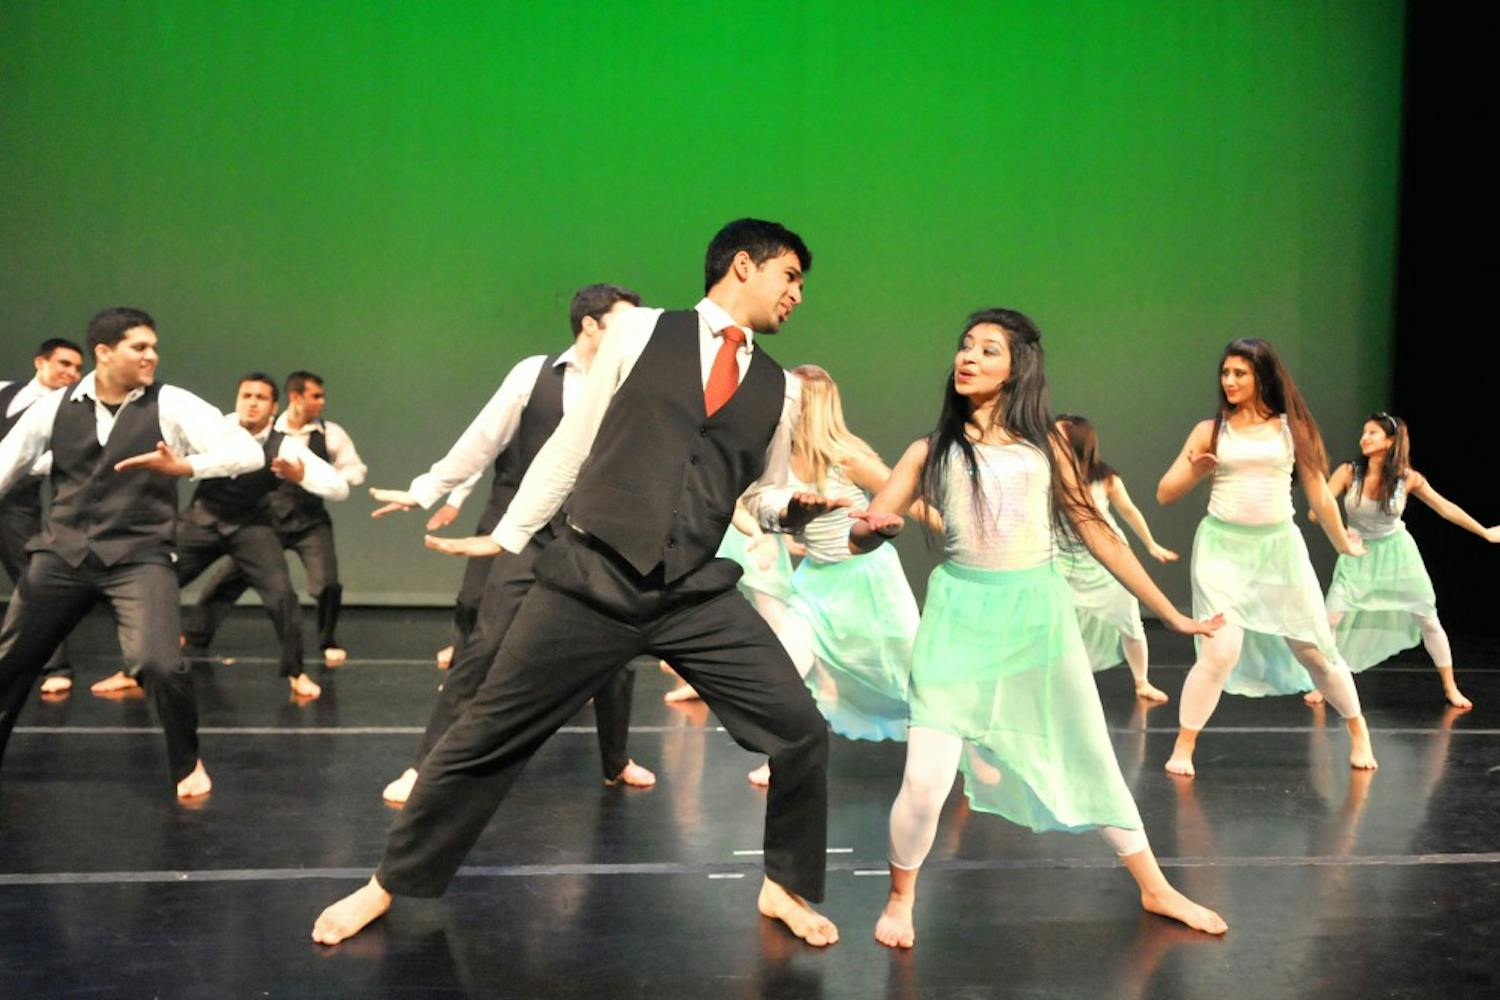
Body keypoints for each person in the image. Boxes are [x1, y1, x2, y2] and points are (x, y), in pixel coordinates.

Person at [312, 218, 844, 948]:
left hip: (693, 592)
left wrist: (795, 510)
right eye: (791, 277)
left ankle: (784, 885)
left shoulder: (779, 388)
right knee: (486, 734)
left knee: (802, 730)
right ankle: (388, 883)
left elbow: (761, 493)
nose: (797, 296)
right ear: (744, 265)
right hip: (592, 578)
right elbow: (574, 441)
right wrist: (509, 535)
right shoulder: (638, 331)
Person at [847, 308, 1227, 949]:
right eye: (965, 346)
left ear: (1015, 369)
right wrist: (871, 531)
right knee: (926, 780)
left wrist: (1170, 613)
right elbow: (862, 534)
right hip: (957, 622)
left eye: (987, 350)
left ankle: (1155, 887)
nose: (968, 357)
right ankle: (900, 897)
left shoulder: (1044, 448)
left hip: (1036, 619)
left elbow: (1098, 533)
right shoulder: (929, 451)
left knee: (1088, 754)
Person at [366, 284, 656, 804]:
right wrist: (426, 489)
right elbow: (481, 440)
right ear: (591, 325)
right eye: (625, 322)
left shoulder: (635, 383)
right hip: (529, 534)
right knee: (486, 646)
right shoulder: (534, 375)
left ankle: (616, 761)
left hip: (596, 537)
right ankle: (424, 766)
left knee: (616, 655)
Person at [0, 308, 263, 799]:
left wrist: (187, 467)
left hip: (139, 555)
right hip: (63, 554)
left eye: (154, 347)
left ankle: (186, 762)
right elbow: (5, 465)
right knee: (11, 659)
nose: (152, 356)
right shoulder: (53, 407)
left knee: (159, 663)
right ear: (104, 352)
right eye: (139, 347)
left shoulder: (172, 403)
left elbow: (250, 453)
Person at [1156, 338, 1376, 778]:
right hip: (1221, 551)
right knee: (1220, 651)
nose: (1230, 381)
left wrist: (1343, 544)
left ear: (1262, 376)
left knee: (1314, 651)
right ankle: (1184, 745)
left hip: (1278, 551)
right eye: (1225, 373)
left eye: (1240, 373)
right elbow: (1165, 492)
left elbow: (1320, 496)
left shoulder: (1293, 430)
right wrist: (1198, 470)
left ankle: (1358, 730)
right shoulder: (1210, 430)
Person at [745, 364, 925, 787]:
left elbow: (906, 496)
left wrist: (952, 530)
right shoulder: (776, 460)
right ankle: (779, 759)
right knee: (784, 670)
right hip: (817, 583)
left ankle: (966, 750)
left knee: (911, 675)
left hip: (870, 583)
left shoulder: (847, 458)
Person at [1316, 412, 1499, 710]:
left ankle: (1451, 687)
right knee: (1331, 618)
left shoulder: (1407, 478)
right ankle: (1324, 684)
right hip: (1357, 554)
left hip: (1398, 556)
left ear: (1390, 441)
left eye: (1372, 433)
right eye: (1364, 432)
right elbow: (1318, 511)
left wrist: (1485, 532)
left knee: (1427, 618)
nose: (1364, 438)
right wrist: (1341, 532)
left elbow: (1445, 508)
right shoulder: (1349, 472)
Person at [189, 371, 365, 667]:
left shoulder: (329, 433)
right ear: (295, 397)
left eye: (322, 396)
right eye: (316, 396)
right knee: (229, 578)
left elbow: (353, 470)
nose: (322, 401)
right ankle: (196, 635)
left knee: (327, 583)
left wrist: (321, 476)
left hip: (309, 521)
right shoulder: (262, 432)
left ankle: (327, 640)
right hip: (269, 518)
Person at [1055, 414, 1178, 703]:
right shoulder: (1046, 477)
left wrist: (1151, 544)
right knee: (1058, 624)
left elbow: (1129, 511)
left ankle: (1142, 682)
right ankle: (1060, 681)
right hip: (1064, 561)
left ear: (1076, 444)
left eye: (1058, 438)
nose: (1051, 442)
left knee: (1130, 622)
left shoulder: (1105, 477)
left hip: (1107, 563)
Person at [1, 338, 84, 695]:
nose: (71, 373)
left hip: (17, 505)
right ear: (40, 362)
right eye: (64, 364)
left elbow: (55, 459)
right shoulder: (6, 390)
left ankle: (56, 665)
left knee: (34, 582)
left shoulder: (69, 412)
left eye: (77, 368)